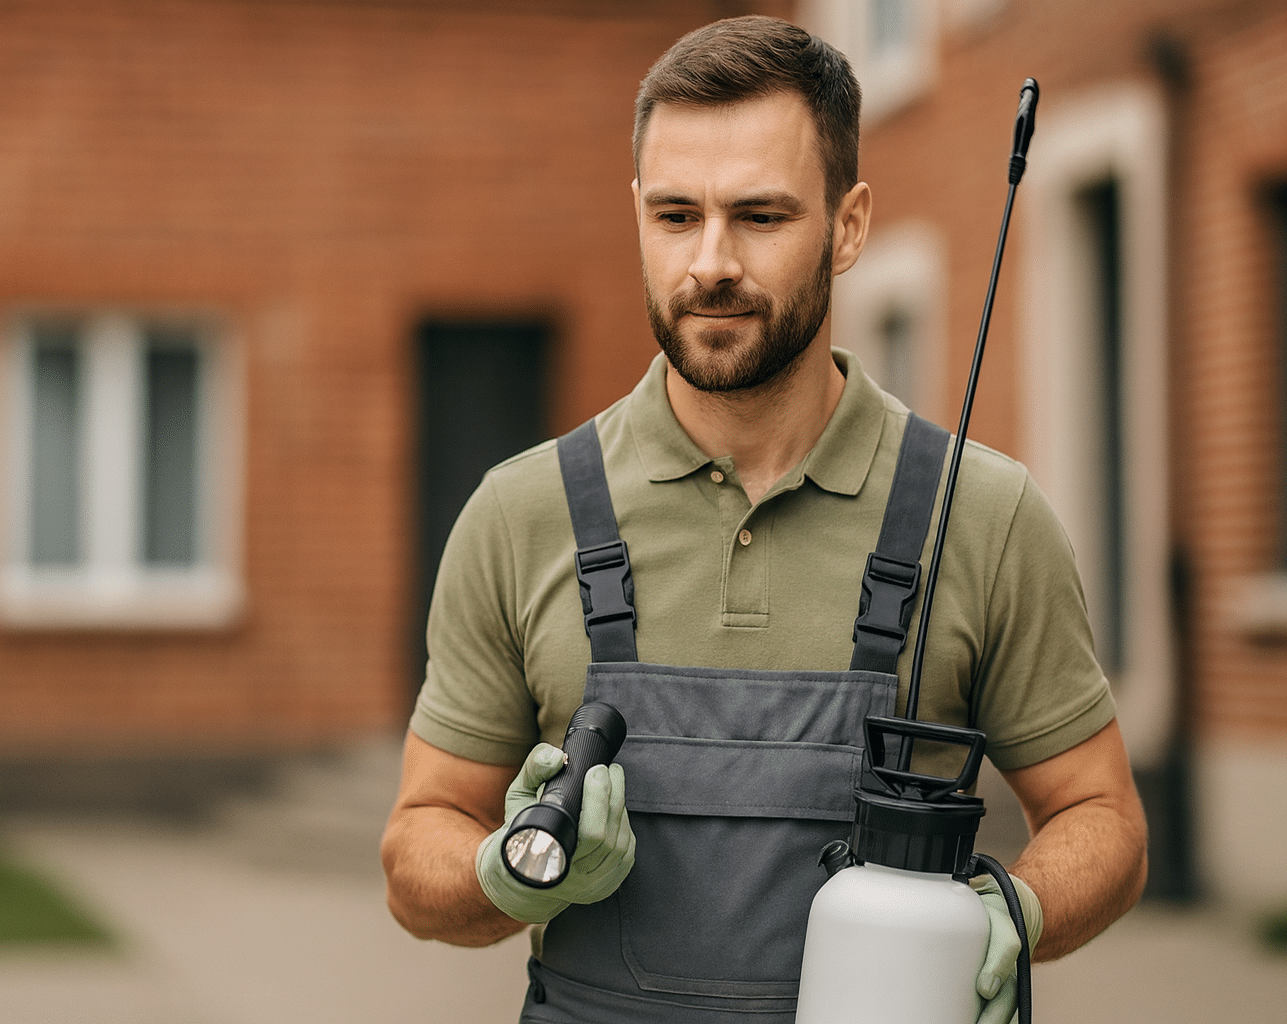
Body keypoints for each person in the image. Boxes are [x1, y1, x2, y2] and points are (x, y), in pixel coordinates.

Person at [381, 15, 1147, 1024]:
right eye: (675, 215)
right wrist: (505, 869)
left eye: (760, 215)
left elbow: (1104, 817)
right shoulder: (521, 513)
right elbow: (418, 844)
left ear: (850, 224)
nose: (710, 262)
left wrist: (1016, 907)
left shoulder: (985, 515)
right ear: (638, 217)